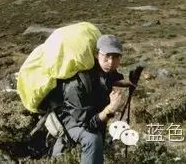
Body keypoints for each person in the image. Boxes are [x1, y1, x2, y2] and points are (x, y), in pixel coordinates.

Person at [50, 34, 130, 164]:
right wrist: (111, 108)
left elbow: (107, 79)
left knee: (99, 132)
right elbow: (87, 123)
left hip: (86, 114)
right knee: (92, 138)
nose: (110, 61)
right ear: (96, 54)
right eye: (107, 56)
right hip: (69, 119)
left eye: (115, 57)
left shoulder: (104, 70)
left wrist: (124, 83)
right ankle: (60, 152)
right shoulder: (76, 83)